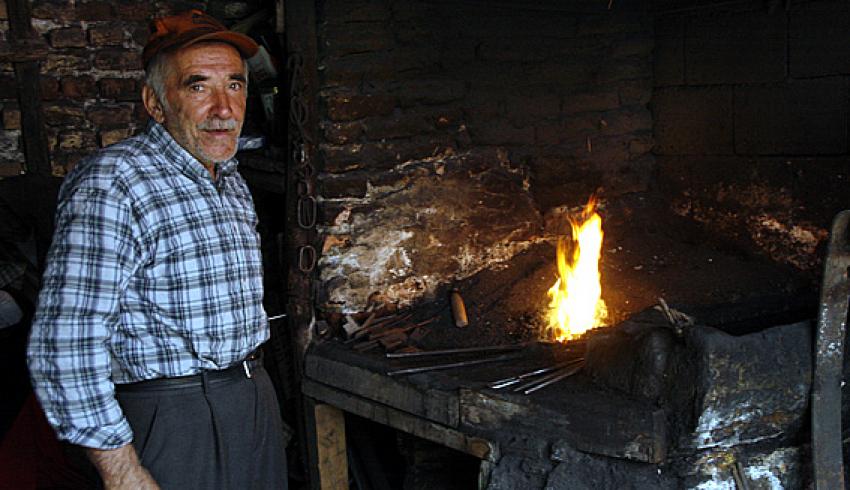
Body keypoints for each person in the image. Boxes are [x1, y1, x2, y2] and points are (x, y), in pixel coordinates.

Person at [27, 9, 289, 489]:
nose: (224, 108)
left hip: (251, 399)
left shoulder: (229, 178)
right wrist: (123, 472)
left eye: (234, 85)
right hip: (171, 417)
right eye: (198, 86)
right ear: (155, 102)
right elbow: (67, 344)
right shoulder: (113, 181)